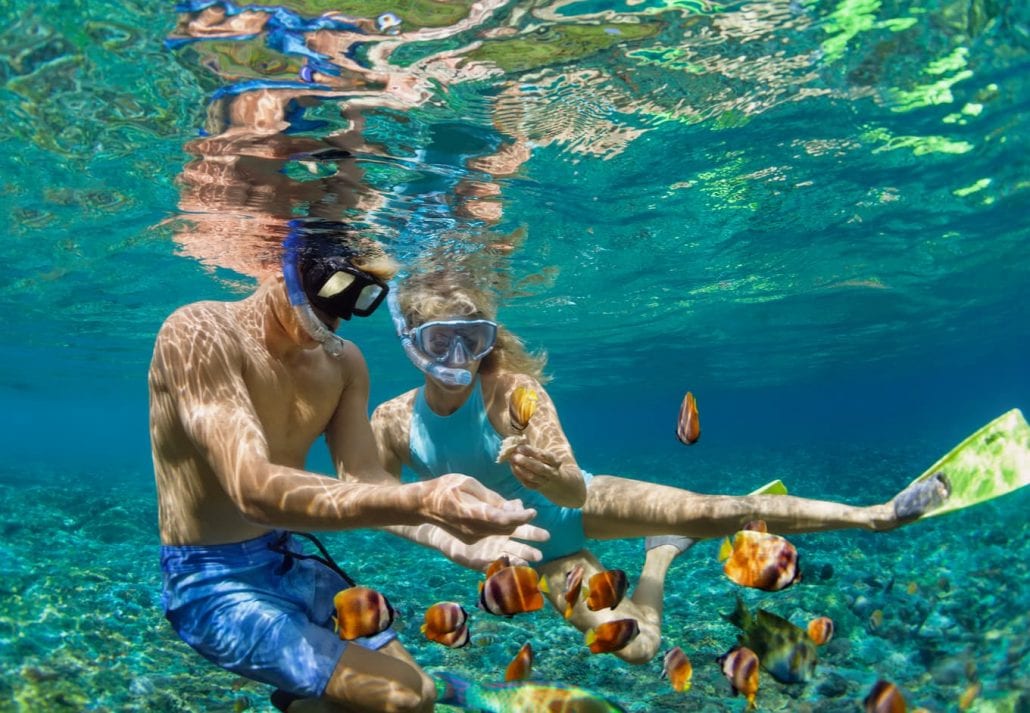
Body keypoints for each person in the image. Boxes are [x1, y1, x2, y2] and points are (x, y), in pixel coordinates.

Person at [367, 268, 950, 665]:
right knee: (639, 649)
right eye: (441, 340)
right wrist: (442, 534)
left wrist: (547, 473)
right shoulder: (392, 421)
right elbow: (374, 502)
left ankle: (876, 515)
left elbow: (570, 481)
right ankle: (661, 553)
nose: (458, 357)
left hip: (583, 504)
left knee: (721, 511)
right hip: (540, 557)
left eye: (473, 339)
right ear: (410, 342)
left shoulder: (512, 392)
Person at [149, 227, 547, 713]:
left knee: (404, 695)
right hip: (212, 581)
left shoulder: (344, 363)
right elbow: (249, 487)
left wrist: (447, 535)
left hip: (290, 559)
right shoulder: (198, 330)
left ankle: (305, 697)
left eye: (358, 300)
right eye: (332, 291)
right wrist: (424, 501)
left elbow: (363, 479)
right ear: (284, 267)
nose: (334, 320)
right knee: (405, 697)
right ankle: (419, 688)